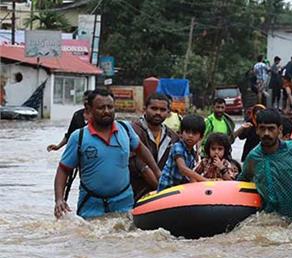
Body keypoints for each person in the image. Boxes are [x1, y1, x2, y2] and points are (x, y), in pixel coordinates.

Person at [53, 90, 161, 219]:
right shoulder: (79, 137)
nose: (106, 111)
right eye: (101, 108)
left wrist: (157, 172)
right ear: (89, 109)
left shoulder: (125, 129)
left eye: (110, 107)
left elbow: (142, 150)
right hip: (91, 205)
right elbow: (63, 170)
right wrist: (59, 199)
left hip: (124, 202)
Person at [129, 93, 179, 200]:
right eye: (154, 108)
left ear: (168, 112)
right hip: (137, 193)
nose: (158, 113)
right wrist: (162, 191)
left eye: (162, 110)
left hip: (164, 194)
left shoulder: (172, 136)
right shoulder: (133, 131)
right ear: (144, 109)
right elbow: (140, 165)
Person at [157, 115, 206, 191]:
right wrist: (204, 180)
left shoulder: (192, 153)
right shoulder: (178, 146)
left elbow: (190, 175)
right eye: (187, 132)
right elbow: (183, 169)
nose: (190, 136)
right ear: (180, 133)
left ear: (201, 137)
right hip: (167, 187)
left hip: (178, 187)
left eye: (194, 133)